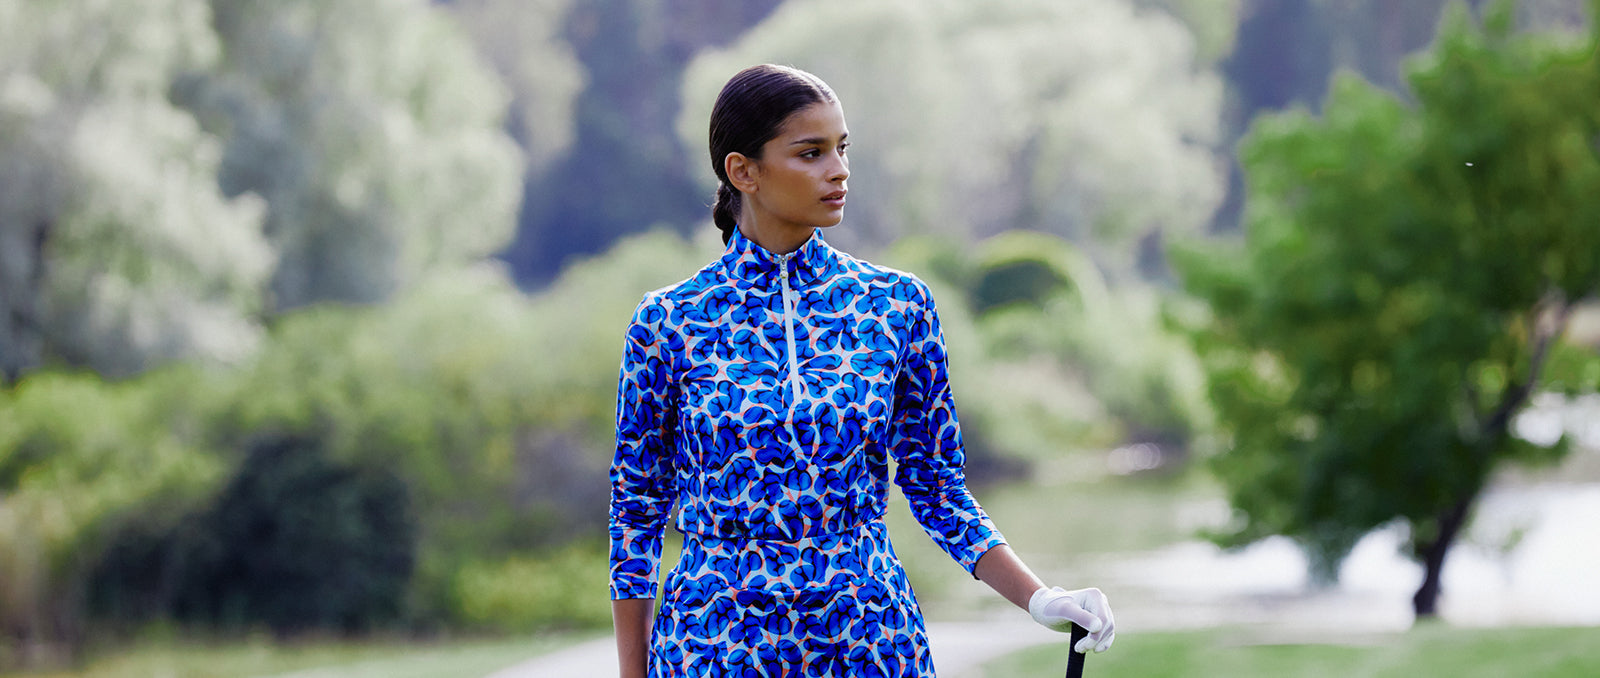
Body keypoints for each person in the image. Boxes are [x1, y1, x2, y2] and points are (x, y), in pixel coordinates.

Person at [609, 64, 1115, 678]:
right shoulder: (668, 320)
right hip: (715, 643)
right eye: (811, 152)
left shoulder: (896, 306)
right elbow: (637, 511)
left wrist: (1039, 597)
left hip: (869, 638)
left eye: (843, 148)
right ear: (743, 171)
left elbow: (936, 485)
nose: (839, 170)